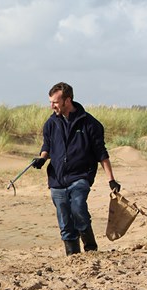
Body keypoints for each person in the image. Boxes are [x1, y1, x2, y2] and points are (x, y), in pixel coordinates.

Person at [31, 82, 120, 256]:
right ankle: (73, 257)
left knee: (78, 208)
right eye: (50, 102)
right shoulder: (51, 123)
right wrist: (42, 159)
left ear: (67, 100)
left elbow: (101, 153)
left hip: (81, 176)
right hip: (57, 179)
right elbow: (47, 145)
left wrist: (111, 179)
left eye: (55, 102)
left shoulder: (90, 124)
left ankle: (91, 249)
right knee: (64, 221)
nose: (52, 106)